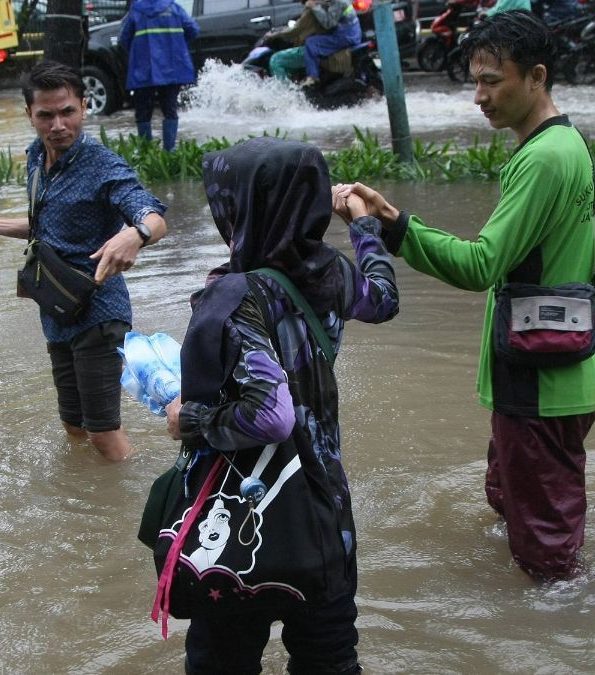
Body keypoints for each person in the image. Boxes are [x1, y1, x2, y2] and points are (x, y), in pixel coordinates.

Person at [335, 10, 595, 581]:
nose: (478, 96)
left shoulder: (543, 159)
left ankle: (566, 634)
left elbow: (482, 264)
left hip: (541, 382)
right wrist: (392, 218)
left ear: (536, 76)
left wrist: (396, 227)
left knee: (546, 555)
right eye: (474, 80)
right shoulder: (564, 144)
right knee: (511, 498)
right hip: (558, 363)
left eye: (491, 80)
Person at [162, 136, 399, 673]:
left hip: (247, 517)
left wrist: (189, 420)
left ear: (240, 208)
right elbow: (384, 298)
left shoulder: (235, 294)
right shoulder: (332, 274)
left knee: (222, 661)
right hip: (323, 511)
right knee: (329, 657)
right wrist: (362, 225)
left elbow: (271, 415)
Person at [0, 61, 169, 462]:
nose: (58, 124)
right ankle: (84, 491)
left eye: (67, 112)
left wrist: (135, 234)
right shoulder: (38, 158)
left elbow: (153, 217)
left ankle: (128, 508)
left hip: (99, 313)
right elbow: (47, 227)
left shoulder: (102, 166)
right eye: (46, 115)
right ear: (30, 115)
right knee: (74, 426)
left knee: (104, 432)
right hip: (57, 311)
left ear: (84, 107)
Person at [119, 0, 199, 150]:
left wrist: (138, 52)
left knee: (143, 112)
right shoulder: (174, 8)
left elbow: (124, 38)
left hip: (144, 69)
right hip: (171, 68)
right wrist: (177, 44)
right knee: (170, 109)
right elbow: (193, 30)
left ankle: (147, 153)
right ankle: (169, 152)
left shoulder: (137, 10)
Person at [299, 0, 362, 87]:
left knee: (311, 42)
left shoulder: (338, 2)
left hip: (345, 36)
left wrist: (314, 7)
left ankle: (313, 77)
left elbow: (328, 23)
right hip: (352, 34)